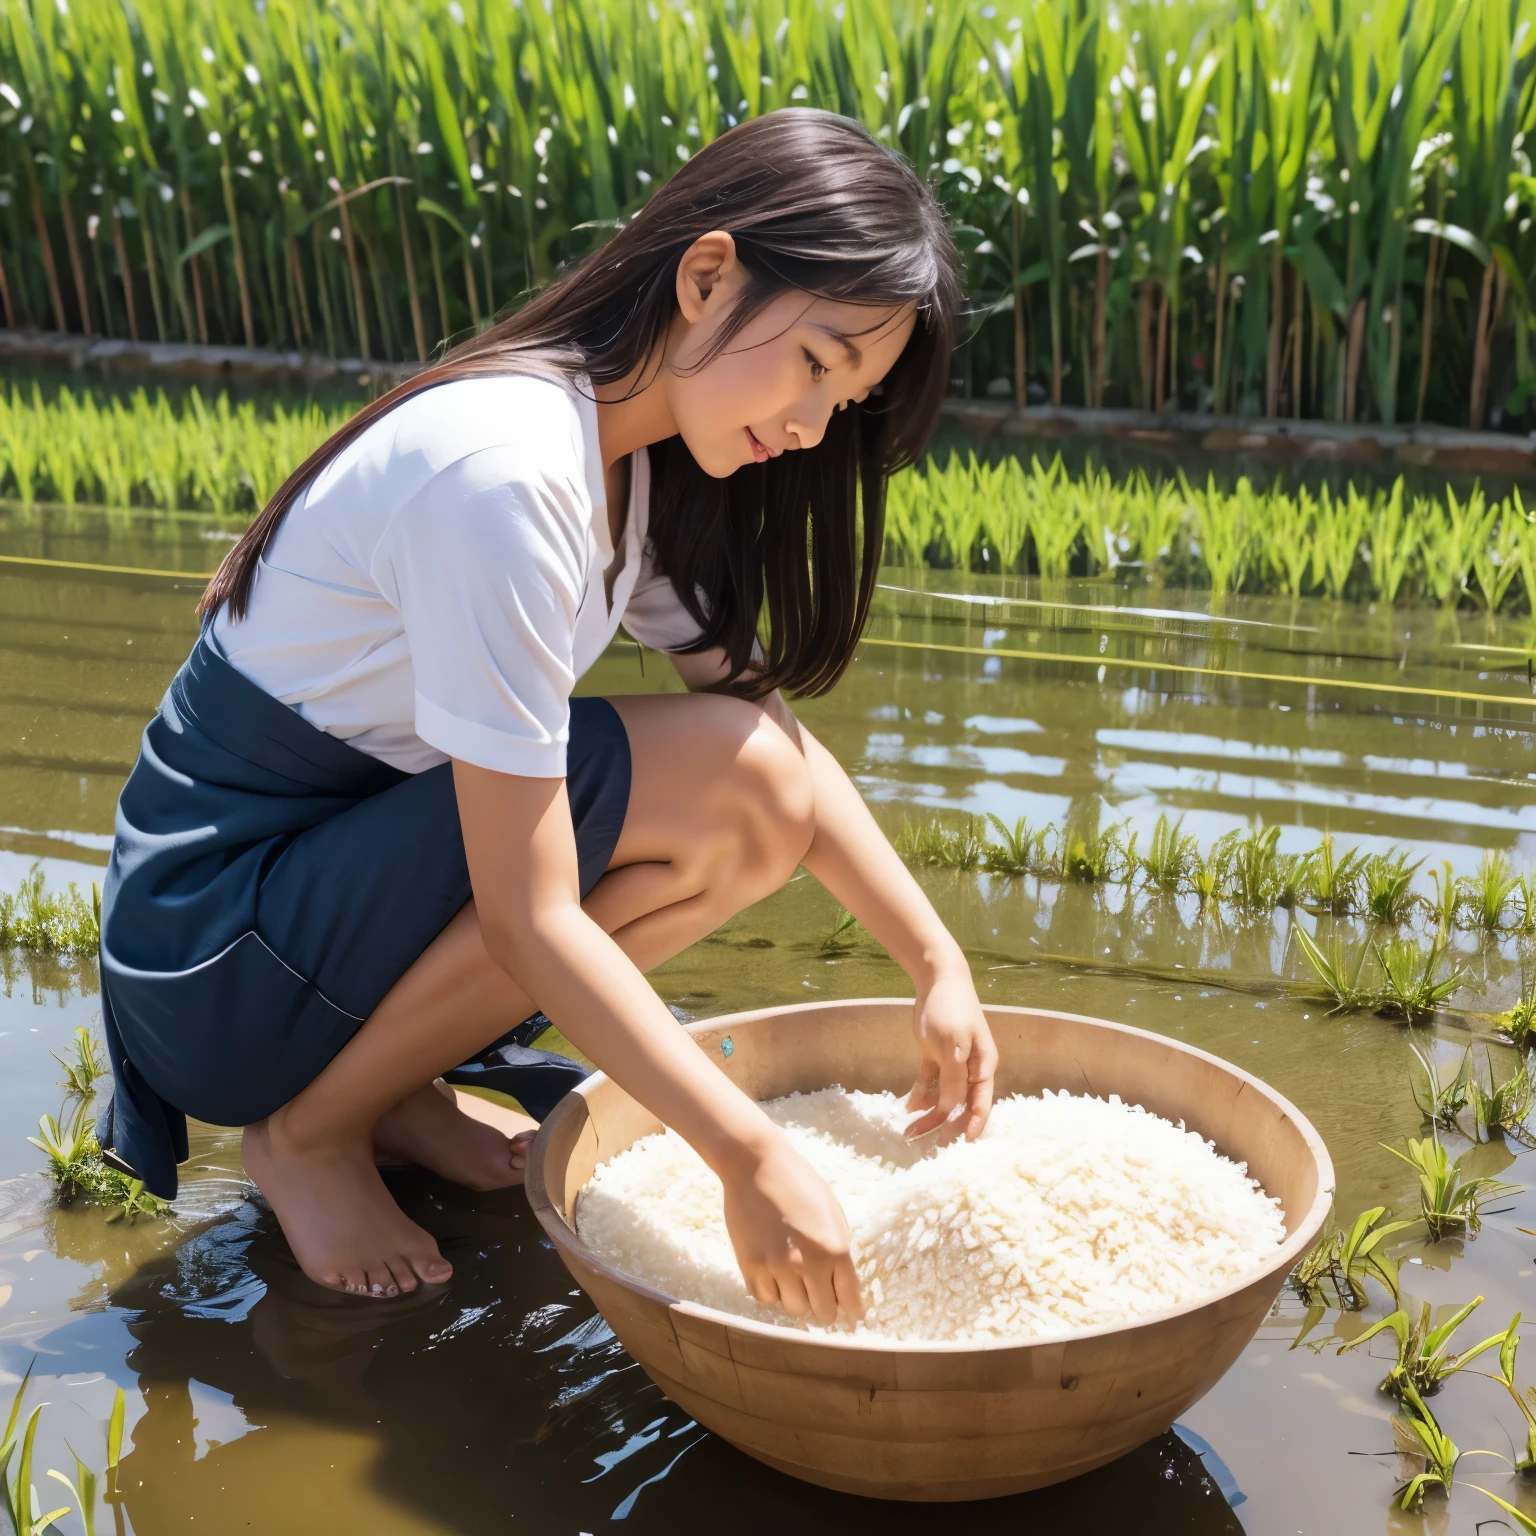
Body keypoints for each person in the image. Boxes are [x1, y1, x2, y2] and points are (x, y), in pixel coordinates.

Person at [97, 107, 998, 1323]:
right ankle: (311, 1133)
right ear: (707, 274)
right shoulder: (508, 471)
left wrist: (935, 959)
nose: (810, 425)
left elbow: (767, 731)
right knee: (730, 794)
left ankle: (384, 1087)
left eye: (849, 400)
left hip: (302, 921)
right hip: (211, 949)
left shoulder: (634, 466)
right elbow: (529, 914)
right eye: (817, 363)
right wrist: (749, 1154)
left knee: (751, 795)